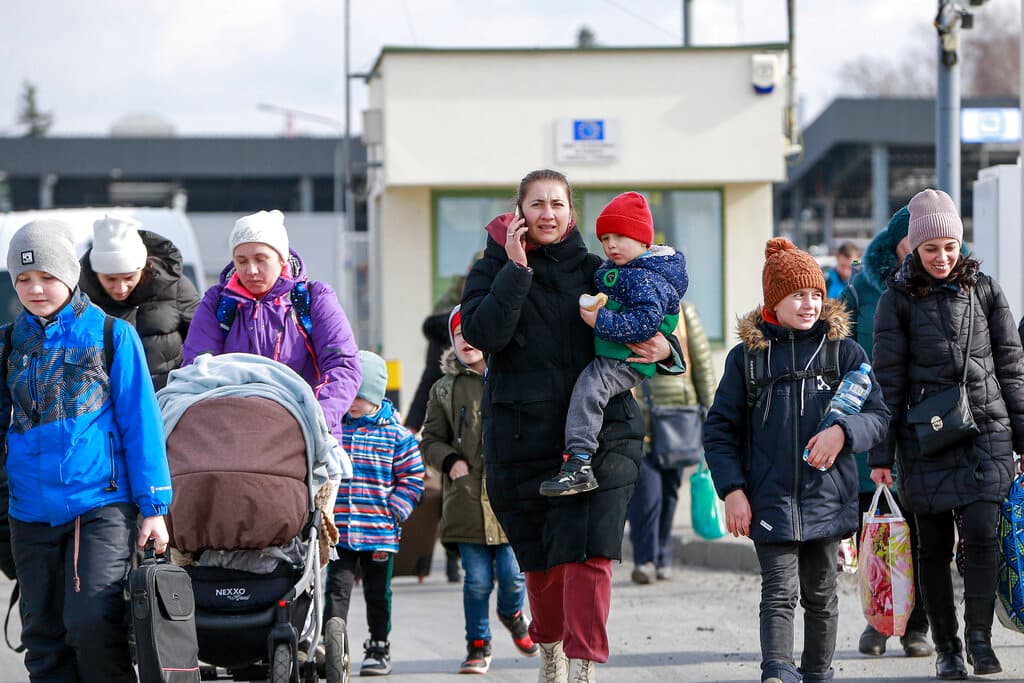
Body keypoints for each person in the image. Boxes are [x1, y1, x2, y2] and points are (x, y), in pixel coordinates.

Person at [459, 169, 682, 682]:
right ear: (519, 214)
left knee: (590, 554)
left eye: (557, 203)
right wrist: (516, 270)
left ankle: (583, 666)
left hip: (604, 434)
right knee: (542, 564)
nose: (547, 213)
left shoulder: (600, 271)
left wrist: (667, 351)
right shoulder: (489, 270)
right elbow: (483, 332)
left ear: (571, 213)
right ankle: (552, 649)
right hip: (523, 439)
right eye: (536, 204)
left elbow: (659, 317)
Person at [703, 238, 890, 683]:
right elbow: (719, 431)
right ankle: (777, 672)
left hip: (828, 498)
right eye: (797, 295)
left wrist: (843, 432)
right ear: (774, 300)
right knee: (779, 594)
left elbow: (879, 417)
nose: (809, 304)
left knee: (822, 596)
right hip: (767, 500)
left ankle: (817, 675)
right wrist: (731, 491)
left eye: (815, 294)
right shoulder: (747, 359)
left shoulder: (845, 353)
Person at [2, 219, 172, 681]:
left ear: (71, 275)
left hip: (98, 507)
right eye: (23, 278)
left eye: (47, 276)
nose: (35, 288)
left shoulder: (111, 335)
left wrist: (153, 507)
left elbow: (141, 424)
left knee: (93, 625)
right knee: (43, 636)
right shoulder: (7, 344)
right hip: (29, 515)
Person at [871, 188, 1024, 680]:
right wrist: (881, 452)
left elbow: (1012, 368)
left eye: (950, 246)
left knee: (982, 537)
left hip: (986, 430)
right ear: (914, 247)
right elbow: (886, 382)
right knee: (932, 547)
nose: (942, 257)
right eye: (931, 247)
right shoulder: (895, 301)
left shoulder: (986, 290)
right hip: (925, 437)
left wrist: (1022, 438)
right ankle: (947, 647)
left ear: (961, 244)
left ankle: (980, 640)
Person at [538, 192, 688, 497]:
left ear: (644, 241)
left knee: (590, 388)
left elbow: (644, 324)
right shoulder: (626, 271)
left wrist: (600, 322)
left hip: (625, 360)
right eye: (605, 238)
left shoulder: (647, 278)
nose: (611, 245)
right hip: (618, 355)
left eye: (620, 236)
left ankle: (579, 460)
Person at [420, 305, 538, 674]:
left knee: (513, 573)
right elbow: (430, 439)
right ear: (452, 342)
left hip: (508, 501)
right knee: (476, 582)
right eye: (459, 336)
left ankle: (513, 614)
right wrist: (448, 458)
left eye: (473, 333)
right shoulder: (444, 389)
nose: (466, 341)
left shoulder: (512, 378)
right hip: (466, 500)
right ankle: (477, 645)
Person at [836, 207, 932, 658]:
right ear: (895, 245)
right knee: (872, 532)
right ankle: (877, 621)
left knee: (922, 532)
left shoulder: (952, 286)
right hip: (873, 427)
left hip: (928, 428)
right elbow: (841, 356)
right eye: (910, 241)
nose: (917, 251)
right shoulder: (863, 290)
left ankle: (917, 625)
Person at [180, 209, 361, 441]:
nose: (251, 270)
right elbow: (195, 371)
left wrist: (315, 419)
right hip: (233, 439)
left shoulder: (314, 299)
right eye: (241, 261)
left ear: (281, 258)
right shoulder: (217, 303)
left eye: (261, 259)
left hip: (304, 437)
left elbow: (343, 366)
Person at [327, 350, 425, 677]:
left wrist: (395, 509)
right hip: (339, 530)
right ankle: (332, 645)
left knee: (377, 593)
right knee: (336, 589)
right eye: (350, 394)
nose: (353, 403)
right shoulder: (336, 431)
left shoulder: (396, 435)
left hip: (379, 531)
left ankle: (379, 644)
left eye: (361, 397)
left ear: (376, 397)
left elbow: (412, 476)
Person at [626, 298, 716, 584]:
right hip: (639, 417)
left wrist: (713, 420)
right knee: (645, 495)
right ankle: (646, 559)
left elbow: (702, 366)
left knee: (669, 491)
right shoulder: (624, 307)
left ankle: (662, 555)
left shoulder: (683, 311)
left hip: (679, 418)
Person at [78, 213, 200, 390]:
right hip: (105, 399)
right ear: (96, 274)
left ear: (143, 268)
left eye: (129, 277)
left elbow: (201, 340)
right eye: (110, 279)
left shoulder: (176, 287)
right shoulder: (80, 297)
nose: (120, 288)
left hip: (168, 394)